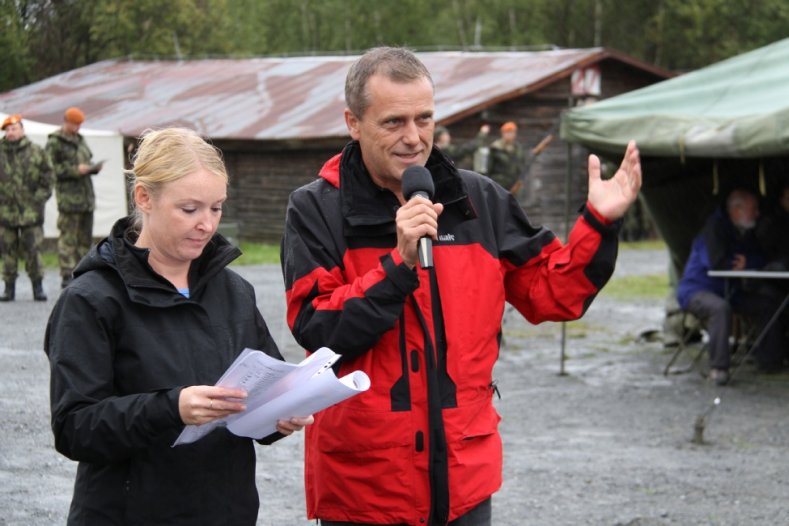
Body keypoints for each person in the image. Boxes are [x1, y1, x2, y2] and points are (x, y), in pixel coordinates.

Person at [281, 47, 641, 525]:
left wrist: (598, 222)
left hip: (463, 479)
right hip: (366, 487)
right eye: (394, 122)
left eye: (424, 118)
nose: (414, 138)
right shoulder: (316, 209)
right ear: (353, 122)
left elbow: (554, 292)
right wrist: (397, 266)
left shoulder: (477, 200)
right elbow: (316, 328)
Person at [45, 128, 313, 525]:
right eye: (189, 210)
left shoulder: (234, 291)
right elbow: (74, 428)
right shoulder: (90, 299)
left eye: (216, 208)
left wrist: (279, 417)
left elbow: (262, 387)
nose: (207, 224)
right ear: (144, 198)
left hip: (227, 511)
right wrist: (172, 408)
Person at [677, 188, 787, 385]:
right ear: (737, 210)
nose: (758, 213)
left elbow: (760, 257)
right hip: (698, 290)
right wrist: (739, 263)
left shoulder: (745, 230)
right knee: (719, 308)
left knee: (767, 304)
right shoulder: (715, 228)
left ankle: (770, 361)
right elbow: (715, 263)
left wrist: (747, 262)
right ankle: (718, 369)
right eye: (753, 209)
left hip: (730, 292)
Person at [46, 107, 101, 289]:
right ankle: (66, 275)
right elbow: (49, 169)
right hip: (69, 200)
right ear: (66, 121)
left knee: (85, 240)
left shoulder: (81, 140)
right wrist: (75, 170)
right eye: (75, 124)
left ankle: (84, 272)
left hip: (86, 199)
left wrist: (92, 168)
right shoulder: (55, 142)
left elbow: (87, 159)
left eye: (80, 124)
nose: (78, 127)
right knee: (68, 239)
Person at [0, 113, 53, 301]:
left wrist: (36, 200)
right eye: (7, 130)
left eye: (14, 129)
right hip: (5, 213)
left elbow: (47, 179)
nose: (10, 132)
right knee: (7, 251)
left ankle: (37, 287)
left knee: (33, 250)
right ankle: (8, 288)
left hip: (31, 213)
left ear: (22, 130)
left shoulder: (36, 152)